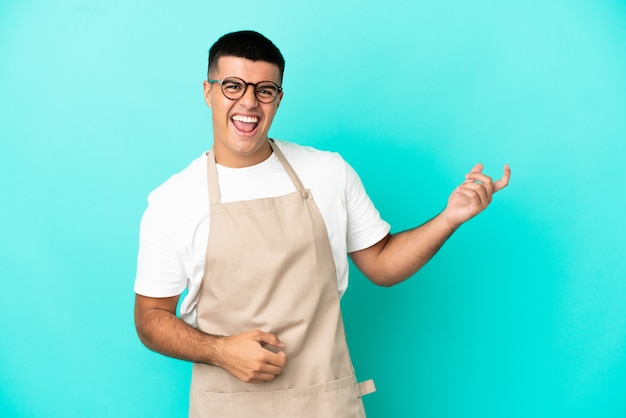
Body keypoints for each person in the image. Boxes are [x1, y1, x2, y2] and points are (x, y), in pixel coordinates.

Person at [133, 30, 511, 417]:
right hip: (230, 408)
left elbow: (382, 264)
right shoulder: (172, 202)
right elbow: (149, 319)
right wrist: (220, 350)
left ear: (278, 99)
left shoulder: (328, 172)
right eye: (232, 86)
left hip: (326, 404)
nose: (248, 102)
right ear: (208, 92)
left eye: (264, 90)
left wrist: (450, 218)